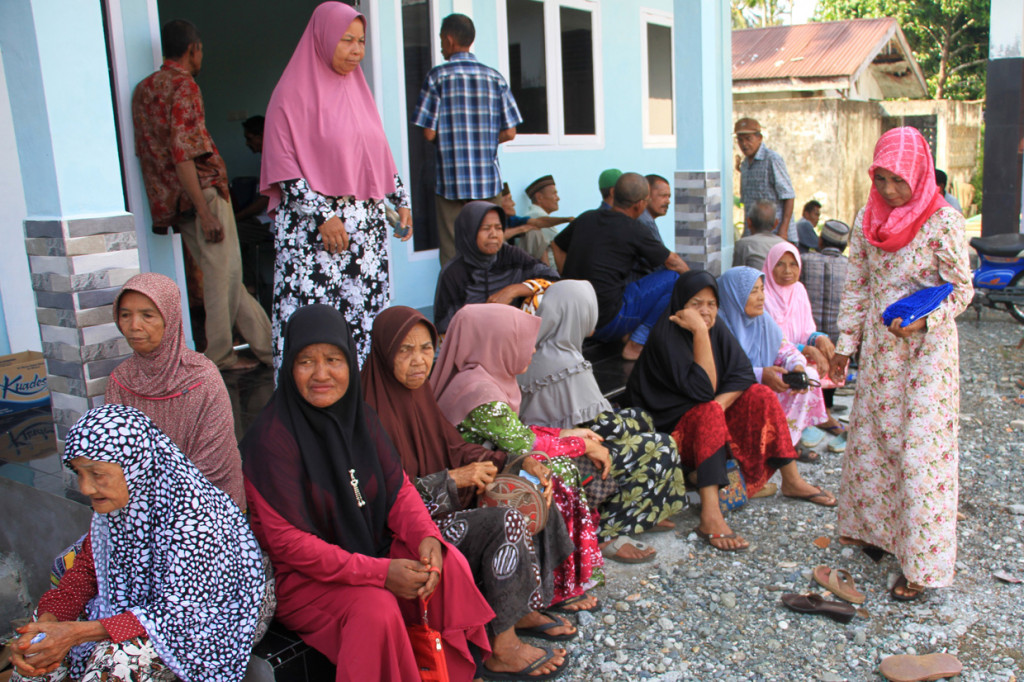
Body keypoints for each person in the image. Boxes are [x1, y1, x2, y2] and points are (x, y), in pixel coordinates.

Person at [241, 305, 492, 681]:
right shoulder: (272, 439)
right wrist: (378, 573)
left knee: (446, 564)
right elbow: (288, 544)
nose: (321, 374)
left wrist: (426, 536)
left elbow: (398, 490)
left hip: (367, 549)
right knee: (375, 609)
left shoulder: (360, 417)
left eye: (333, 360)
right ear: (289, 366)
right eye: (306, 361)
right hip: (306, 580)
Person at [362, 306, 573, 678]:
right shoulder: (366, 412)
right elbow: (382, 499)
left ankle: (522, 608)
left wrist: (515, 461)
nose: (418, 361)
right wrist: (452, 479)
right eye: (405, 350)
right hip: (405, 534)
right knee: (504, 520)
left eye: (427, 349)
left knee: (528, 491)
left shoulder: (418, 395)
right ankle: (502, 648)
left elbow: (456, 448)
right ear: (383, 352)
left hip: (442, 508)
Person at [9, 404, 263, 682]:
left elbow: (178, 615)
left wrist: (75, 633)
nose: (85, 488)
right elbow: (86, 572)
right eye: (79, 473)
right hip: (145, 607)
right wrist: (48, 624)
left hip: (208, 619)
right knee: (38, 643)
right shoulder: (119, 507)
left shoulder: (193, 517)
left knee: (116, 661)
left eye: (97, 474)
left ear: (135, 465)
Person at [828, 127, 972, 602]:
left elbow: (962, 289)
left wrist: (926, 323)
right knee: (876, 442)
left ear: (920, 174)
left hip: (927, 357)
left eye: (899, 180)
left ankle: (924, 566)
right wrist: (846, 346)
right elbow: (858, 284)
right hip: (882, 354)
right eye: (881, 178)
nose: (889, 190)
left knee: (920, 456)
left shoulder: (944, 221)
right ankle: (879, 534)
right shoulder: (867, 218)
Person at [626, 272, 835, 552]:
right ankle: (710, 516)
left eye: (711, 304)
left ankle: (792, 480)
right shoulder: (667, 335)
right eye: (696, 304)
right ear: (680, 306)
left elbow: (743, 373)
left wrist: (720, 406)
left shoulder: (716, 327)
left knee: (759, 395)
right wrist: (700, 333)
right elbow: (702, 391)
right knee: (708, 411)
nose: (705, 311)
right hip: (668, 437)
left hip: (705, 427)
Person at [260, 2, 412, 369]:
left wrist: (401, 199)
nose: (357, 50)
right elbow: (284, 167)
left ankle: (362, 408)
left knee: (364, 323)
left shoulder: (358, 92)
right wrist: (324, 216)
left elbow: (376, 151)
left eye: (361, 41)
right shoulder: (290, 93)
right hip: (316, 239)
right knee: (317, 326)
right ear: (324, 38)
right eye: (347, 40)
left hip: (364, 240)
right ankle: (309, 415)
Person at [432, 304, 604, 611]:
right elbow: (526, 445)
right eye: (522, 340)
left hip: (492, 465)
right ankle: (556, 586)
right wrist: (583, 444)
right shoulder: (481, 392)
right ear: (497, 342)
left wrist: (566, 436)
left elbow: (517, 435)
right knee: (556, 475)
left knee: (557, 467)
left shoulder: (485, 377)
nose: (533, 348)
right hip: (474, 484)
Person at [132, 19, 272, 372]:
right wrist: (205, 210)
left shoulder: (145, 89)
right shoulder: (184, 86)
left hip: (173, 199)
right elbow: (183, 154)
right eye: (201, 50)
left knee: (225, 273)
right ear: (193, 50)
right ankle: (221, 355)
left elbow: (149, 152)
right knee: (220, 276)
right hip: (202, 195)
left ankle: (269, 347)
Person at [518, 281, 687, 562]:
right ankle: (607, 530)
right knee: (660, 445)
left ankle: (643, 511)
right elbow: (599, 427)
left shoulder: (538, 349)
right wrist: (636, 423)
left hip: (552, 445)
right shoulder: (563, 360)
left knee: (639, 421)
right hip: (556, 458)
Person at [105, 273, 244, 508]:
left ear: (170, 318)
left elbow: (213, 461)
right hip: (142, 505)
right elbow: (115, 453)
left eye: (147, 315)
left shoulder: (201, 377)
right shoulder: (121, 380)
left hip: (208, 505)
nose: (134, 326)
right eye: (125, 315)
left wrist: (165, 506)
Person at [413, 13, 522, 266]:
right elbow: (510, 132)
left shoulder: (437, 77)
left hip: (450, 181)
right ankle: (495, 301)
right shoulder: (495, 78)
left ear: (450, 40)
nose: (441, 47)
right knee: (492, 245)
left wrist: (452, 141)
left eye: (442, 41)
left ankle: (457, 304)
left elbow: (428, 132)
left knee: (453, 253)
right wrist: (482, 140)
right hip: (487, 181)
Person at [551, 172, 690, 360]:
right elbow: (672, 262)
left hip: (573, 318)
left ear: (613, 194)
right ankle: (636, 344)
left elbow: (556, 245)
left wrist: (568, 280)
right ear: (640, 204)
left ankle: (626, 333)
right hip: (606, 323)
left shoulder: (586, 218)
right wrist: (697, 282)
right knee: (674, 279)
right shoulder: (635, 229)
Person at [716, 266, 829, 456]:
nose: (761, 297)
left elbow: (786, 351)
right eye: (753, 291)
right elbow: (721, 370)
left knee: (808, 374)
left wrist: (797, 367)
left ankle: (785, 442)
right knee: (758, 391)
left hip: (761, 387)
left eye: (762, 289)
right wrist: (761, 374)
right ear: (734, 295)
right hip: (729, 395)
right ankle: (767, 451)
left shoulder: (763, 321)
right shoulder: (718, 326)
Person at [433, 201, 558, 334]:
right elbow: (445, 328)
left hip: (517, 336)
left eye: (498, 228)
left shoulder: (512, 256)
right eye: (486, 228)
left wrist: (512, 291)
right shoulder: (454, 273)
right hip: (475, 341)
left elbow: (553, 278)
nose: (494, 234)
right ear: (469, 232)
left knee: (554, 294)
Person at [761, 242, 844, 436]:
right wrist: (807, 349)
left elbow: (807, 330)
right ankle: (797, 425)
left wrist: (819, 339)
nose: (788, 270)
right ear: (770, 265)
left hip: (796, 352)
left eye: (793, 264)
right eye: (780, 264)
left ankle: (821, 414)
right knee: (809, 373)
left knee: (832, 353)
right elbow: (773, 341)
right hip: (774, 358)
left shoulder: (798, 290)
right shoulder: (763, 293)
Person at [735, 117, 796, 241]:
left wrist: (783, 230)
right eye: (740, 140)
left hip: (776, 234)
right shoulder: (745, 164)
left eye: (748, 139)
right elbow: (748, 203)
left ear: (759, 138)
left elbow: (788, 196)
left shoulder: (772, 159)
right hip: (754, 236)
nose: (744, 144)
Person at [800, 219, 851, 343]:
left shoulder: (802, 261)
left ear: (820, 241)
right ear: (844, 247)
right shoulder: (852, 267)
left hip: (807, 341)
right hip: (841, 345)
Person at [500, 182, 572, 242]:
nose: (513, 203)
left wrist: (566, 219)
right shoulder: (535, 214)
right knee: (533, 232)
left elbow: (539, 222)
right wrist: (521, 229)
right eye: (509, 199)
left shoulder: (512, 219)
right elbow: (496, 238)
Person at [520, 175, 563, 265]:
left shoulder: (535, 214)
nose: (558, 198)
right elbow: (563, 244)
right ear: (539, 197)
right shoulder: (536, 215)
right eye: (554, 194)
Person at [733, 201, 787, 270]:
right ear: (776, 224)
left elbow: (736, 274)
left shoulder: (743, 245)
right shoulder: (784, 245)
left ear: (749, 222)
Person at [638, 174, 671, 244]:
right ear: (647, 195)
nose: (668, 201)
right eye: (663, 196)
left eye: (669, 197)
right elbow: (660, 254)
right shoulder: (646, 222)